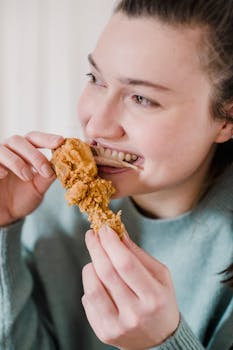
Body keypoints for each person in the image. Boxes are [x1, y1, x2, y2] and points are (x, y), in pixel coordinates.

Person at [0, 0, 232, 349]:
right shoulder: (44, 206)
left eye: (141, 98)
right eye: (96, 79)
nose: (97, 124)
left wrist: (163, 342)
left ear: (226, 119)